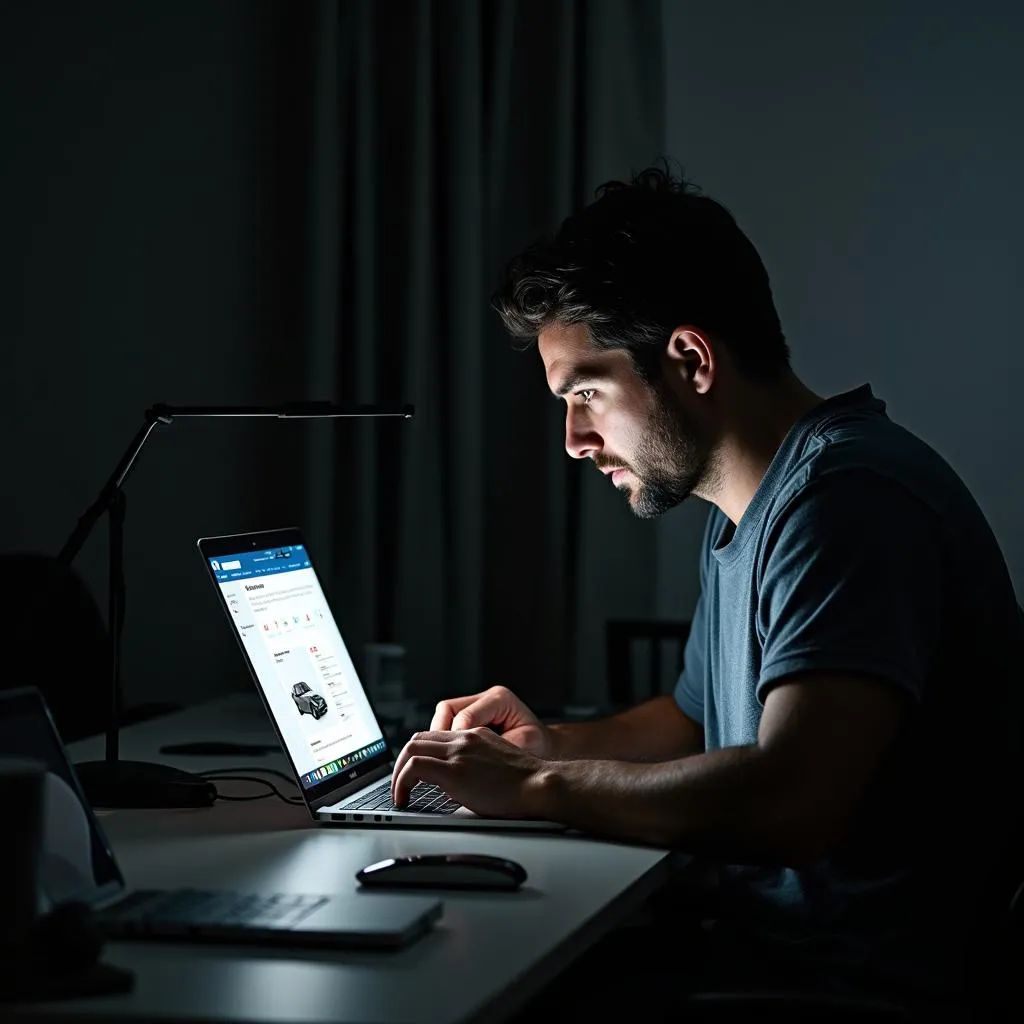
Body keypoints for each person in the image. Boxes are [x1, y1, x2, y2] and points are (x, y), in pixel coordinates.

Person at [391, 165, 1024, 1010]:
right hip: (764, 947)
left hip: (848, 984)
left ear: (690, 359)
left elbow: (795, 801)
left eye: (586, 392)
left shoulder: (848, 499)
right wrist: (544, 747)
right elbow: (691, 724)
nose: (575, 439)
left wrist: (536, 791)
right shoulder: (750, 509)